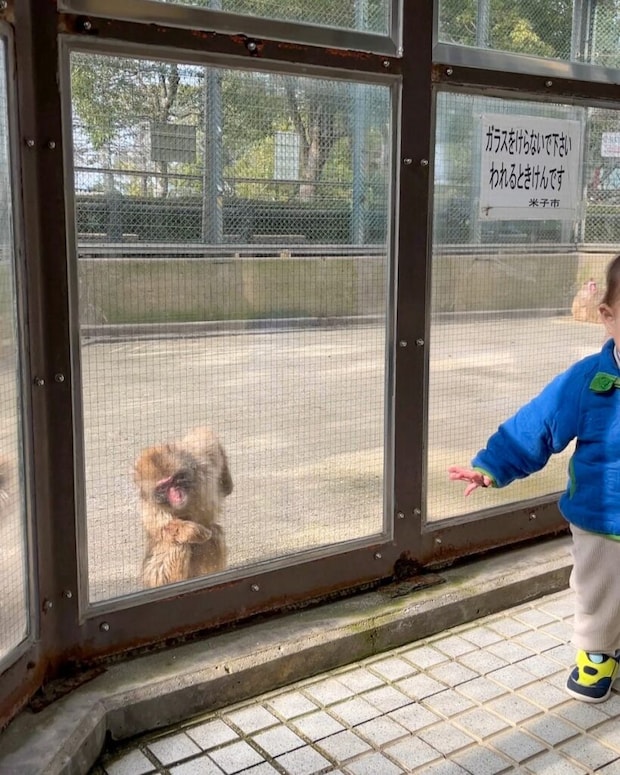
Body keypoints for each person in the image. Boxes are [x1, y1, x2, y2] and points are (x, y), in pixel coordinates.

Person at [449, 254, 620, 704]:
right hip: (600, 518)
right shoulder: (587, 381)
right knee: (598, 591)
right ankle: (596, 655)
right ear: (608, 316)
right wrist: (492, 465)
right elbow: (537, 424)